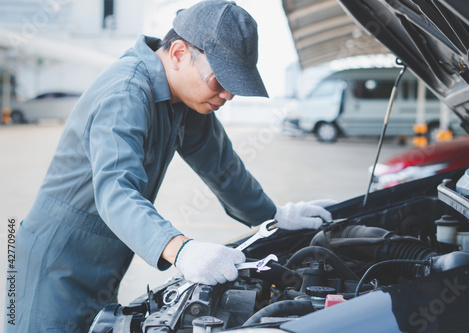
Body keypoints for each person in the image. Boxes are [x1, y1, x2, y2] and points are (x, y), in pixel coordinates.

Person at [6, 1, 335, 332]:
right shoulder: (126, 94)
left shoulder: (187, 99)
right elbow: (115, 190)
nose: (227, 95)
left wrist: (275, 217)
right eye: (219, 80)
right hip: (55, 261)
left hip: (105, 258)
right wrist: (182, 250)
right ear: (178, 54)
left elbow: (224, 170)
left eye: (233, 86)